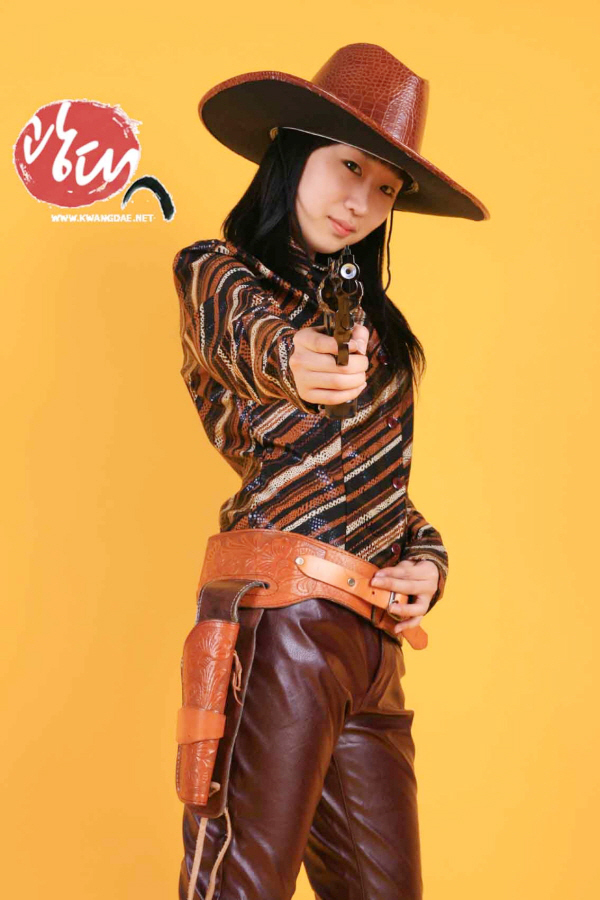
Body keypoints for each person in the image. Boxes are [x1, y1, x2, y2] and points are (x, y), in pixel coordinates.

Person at [172, 42, 489, 900]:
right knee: (241, 885)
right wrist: (294, 355)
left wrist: (428, 560)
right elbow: (248, 337)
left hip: (372, 651)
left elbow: (372, 483)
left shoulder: (382, 334)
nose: (363, 202)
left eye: (387, 187)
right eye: (349, 166)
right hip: (282, 622)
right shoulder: (216, 275)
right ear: (291, 149)